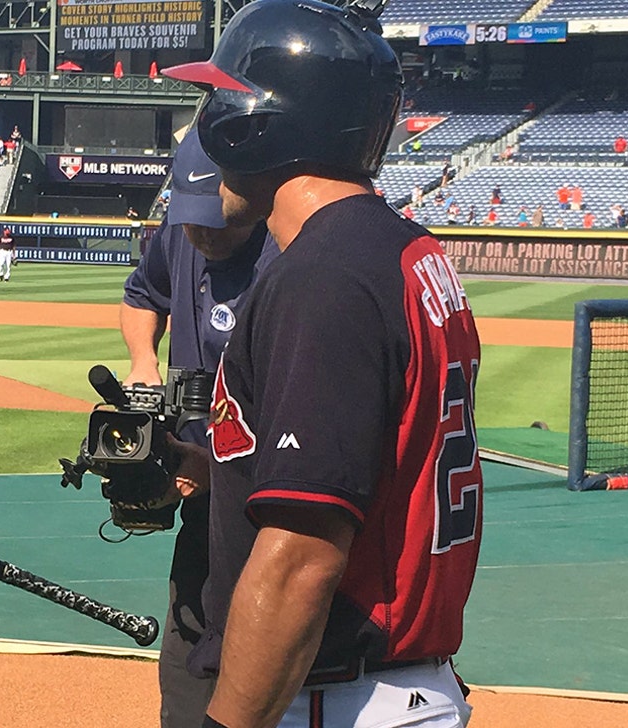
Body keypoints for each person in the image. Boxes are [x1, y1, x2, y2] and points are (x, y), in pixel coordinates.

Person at [164, 3, 482, 725]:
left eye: (220, 97)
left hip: (335, 695)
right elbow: (377, 464)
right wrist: (221, 469)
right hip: (395, 685)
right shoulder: (402, 250)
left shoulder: (324, 275)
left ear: (256, 121)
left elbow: (302, 556)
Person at [121, 128, 279, 728]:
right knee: (187, 685)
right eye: (192, 222)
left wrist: (212, 470)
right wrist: (143, 360)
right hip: (202, 514)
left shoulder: (286, 262)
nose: (205, 237)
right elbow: (142, 296)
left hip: (272, 516)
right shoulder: (181, 232)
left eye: (220, 223)